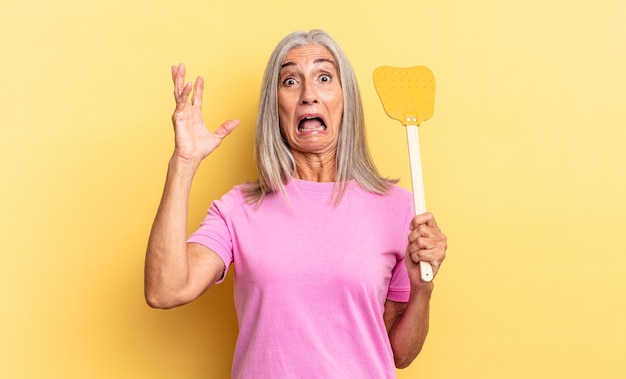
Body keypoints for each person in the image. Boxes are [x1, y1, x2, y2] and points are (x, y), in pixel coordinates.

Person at [145, 29, 447, 378]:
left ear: (345, 99)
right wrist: (183, 163)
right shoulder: (238, 210)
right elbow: (165, 289)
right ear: (275, 106)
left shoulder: (398, 209)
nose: (308, 95)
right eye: (290, 81)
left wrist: (422, 289)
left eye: (323, 77)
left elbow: (401, 354)